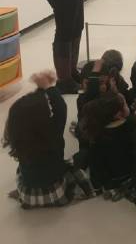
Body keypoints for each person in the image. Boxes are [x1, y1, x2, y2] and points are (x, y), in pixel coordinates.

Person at [3, 70, 94, 209]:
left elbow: (40, 112)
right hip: (56, 193)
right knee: (83, 155)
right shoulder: (53, 134)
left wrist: (42, 89)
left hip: (27, 195)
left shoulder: (17, 138)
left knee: (25, 169)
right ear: (44, 122)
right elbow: (61, 108)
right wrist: (47, 86)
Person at [80, 91, 135, 198]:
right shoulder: (132, 124)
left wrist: (97, 185)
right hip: (130, 174)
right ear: (118, 114)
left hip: (111, 180)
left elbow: (96, 166)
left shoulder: (98, 134)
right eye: (125, 104)